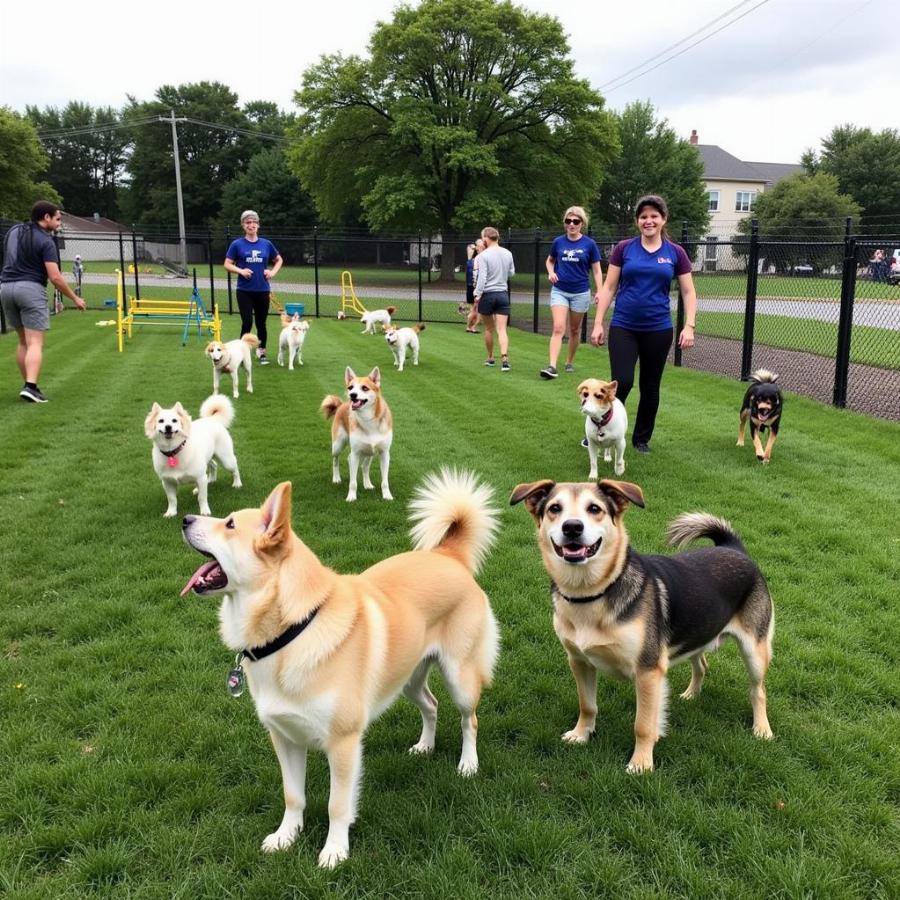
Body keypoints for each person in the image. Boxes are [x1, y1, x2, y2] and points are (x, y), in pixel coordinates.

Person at [589, 194, 697, 453]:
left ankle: (641, 439)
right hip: (624, 326)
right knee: (622, 381)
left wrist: (689, 325)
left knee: (650, 386)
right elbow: (609, 286)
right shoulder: (625, 248)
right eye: (643, 217)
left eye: (654, 216)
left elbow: (688, 292)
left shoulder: (675, 253)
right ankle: (600, 430)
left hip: (658, 329)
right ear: (638, 221)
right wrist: (598, 323)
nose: (648, 221)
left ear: (663, 219)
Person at [0, 201, 86, 403]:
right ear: (46, 217)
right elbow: (55, 277)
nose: (59, 223)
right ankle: (30, 386)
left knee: (23, 342)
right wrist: (75, 298)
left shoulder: (14, 231)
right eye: (57, 219)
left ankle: (30, 386)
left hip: (5, 288)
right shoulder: (46, 241)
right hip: (30, 289)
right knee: (35, 342)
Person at [541, 206, 603, 379]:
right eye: (568, 221)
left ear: (582, 223)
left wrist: (600, 291)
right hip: (560, 290)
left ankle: (569, 361)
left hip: (581, 292)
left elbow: (597, 270)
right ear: (565, 223)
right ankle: (552, 366)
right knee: (558, 327)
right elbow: (550, 260)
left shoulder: (589, 244)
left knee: (575, 330)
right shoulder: (558, 242)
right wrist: (551, 272)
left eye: (575, 221)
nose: (571, 224)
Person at [224, 210, 283, 365]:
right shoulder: (237, 244)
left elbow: (278, 259)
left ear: (258, 225)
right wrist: (240, 270)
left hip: (262, 290)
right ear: (243, 225)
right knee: (247, 322)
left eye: (254, 222)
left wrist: (272, 272)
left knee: (261, 323)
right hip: (244, 291)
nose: (251, 225)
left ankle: (261, 353)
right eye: (248, 222)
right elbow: (227, 264)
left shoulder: (266, 244)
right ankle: (242, 354)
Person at [473, 227, 515, 371]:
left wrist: (477, 295)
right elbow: (511, 273)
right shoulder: (508, 253)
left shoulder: (484, 255)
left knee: (489, 329)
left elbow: (482, 277)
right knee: (502, 329)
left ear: (485, 238)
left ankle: (491, 358)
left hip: (488, 295)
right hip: (503, 294)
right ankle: (504, 359)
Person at [463, 238, 484, 333]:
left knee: (474, 308)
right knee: (477, 309)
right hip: (475, 287)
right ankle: (473, 327)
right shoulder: (477, 261)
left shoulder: (470, 261)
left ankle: (469, 326)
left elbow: (470, 247)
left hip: (470, 287)